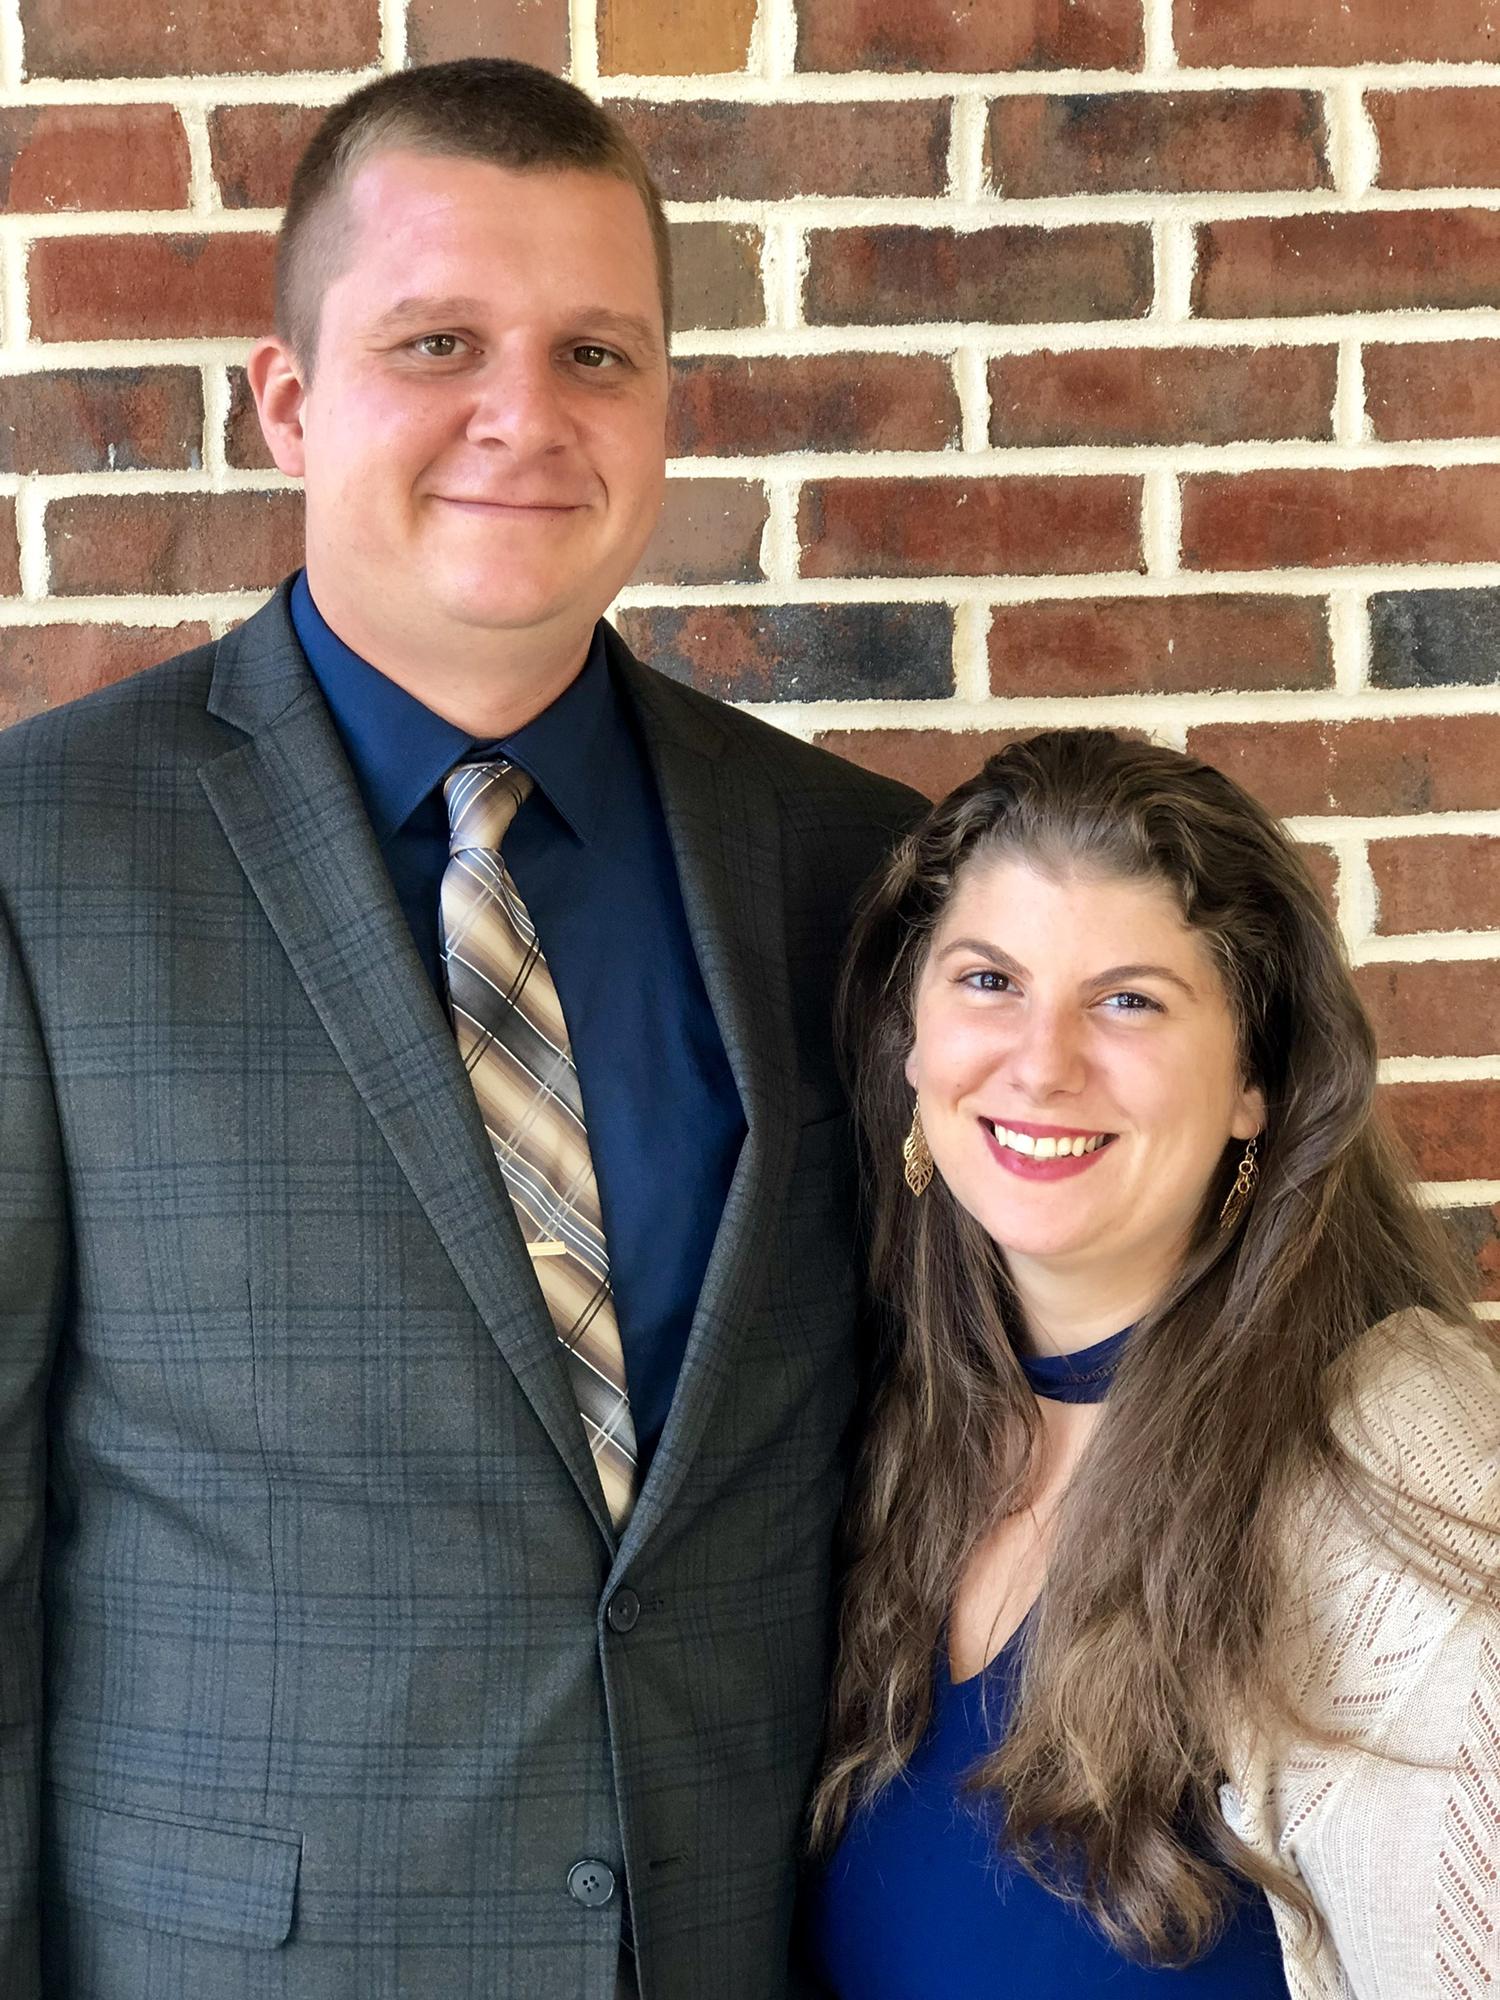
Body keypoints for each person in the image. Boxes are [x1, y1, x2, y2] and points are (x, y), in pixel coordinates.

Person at [0, 59, 923, 2000]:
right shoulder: (43, 856)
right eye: (438, 343)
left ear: (665, 405)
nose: (527, 414)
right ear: (288, 401)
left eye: (597, 353)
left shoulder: (849, 866)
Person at [806, 729, 1499, 1998]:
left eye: (1128, 999)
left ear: (1254, 1082)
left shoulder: (1406, 1482)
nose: (1042, 1062)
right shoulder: (899, 1421)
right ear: (912, 1039)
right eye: (989, 979)